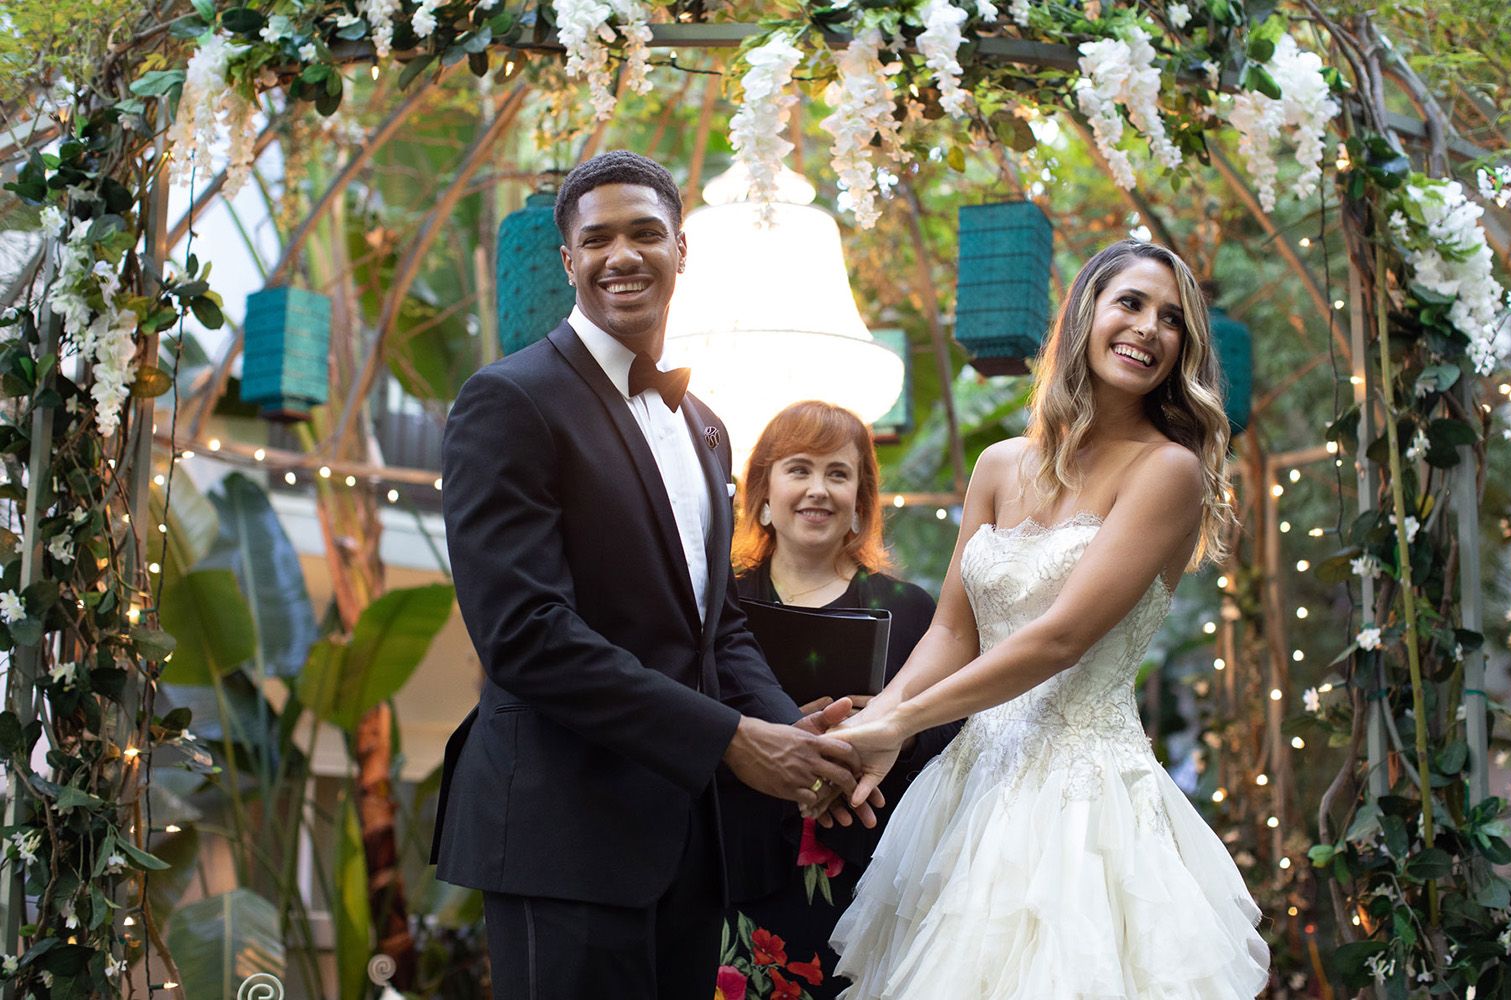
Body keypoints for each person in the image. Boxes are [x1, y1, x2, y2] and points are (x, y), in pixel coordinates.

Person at [430, 151, 878, 1000]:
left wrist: (796, 738)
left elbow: (720, 628)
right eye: (596, 240)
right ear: (568, 261)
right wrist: (730, 740)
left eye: (644, 233)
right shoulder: (507, 401)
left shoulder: (706, 426)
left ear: (681, 249)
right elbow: (525, 636)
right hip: (562, 834)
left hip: (688, 838)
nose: (621, 256)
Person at [822, 240, 1272, 997]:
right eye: (1130, 302)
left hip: (1081, 809)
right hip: (969, 790)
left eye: (1172, 321)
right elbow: (952, 632)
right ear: (1086, 311)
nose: (1149, 329)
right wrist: (873, 729)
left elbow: (1060, 638)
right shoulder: (999, 464)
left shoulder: (1168, 471)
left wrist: (898, 725)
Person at [715, 401, 962, 1000]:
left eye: (838, 473)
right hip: (733, 875)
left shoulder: (909, 610)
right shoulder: (719, 603)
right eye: (798, 469)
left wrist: (879, 733)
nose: (817, 490)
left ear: (860, 500)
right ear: (764, 494)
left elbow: (951, 729)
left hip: (865, 876)